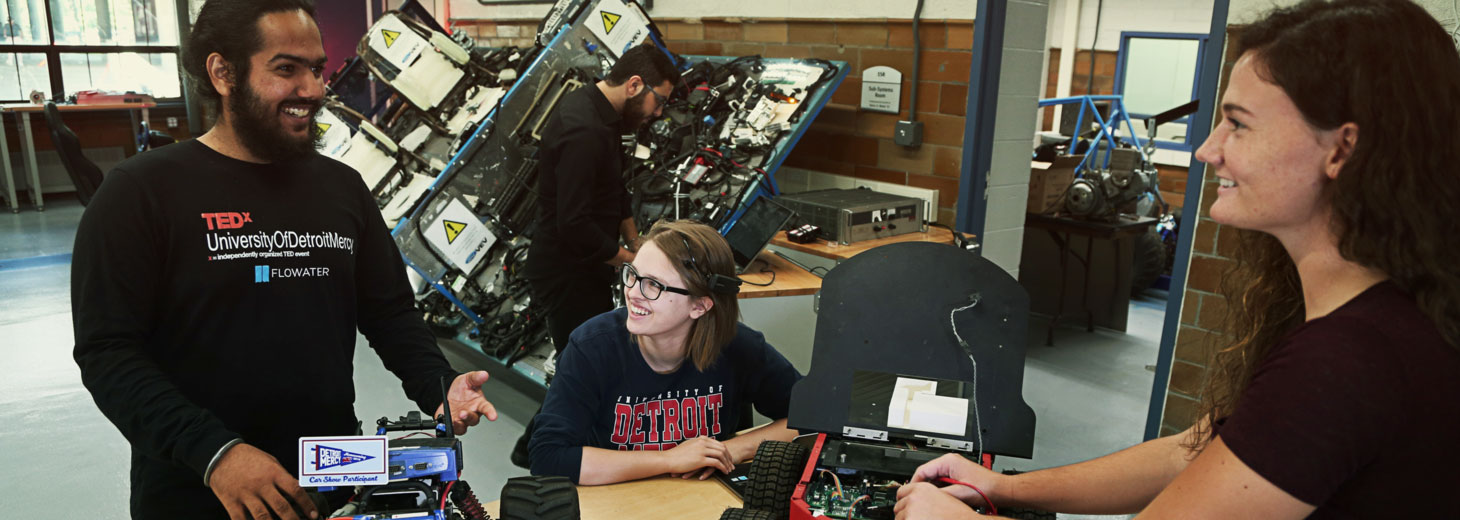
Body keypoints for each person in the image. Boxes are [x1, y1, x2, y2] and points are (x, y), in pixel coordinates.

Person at [894, 1, 1460, 518]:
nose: (1207, 149)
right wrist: (1004, 488)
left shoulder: (1348, 361)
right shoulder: (1388, 312)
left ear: (1343, 149)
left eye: (1237, 124)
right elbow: (1202, 453)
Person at [70, 1, 499, 519]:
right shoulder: (141, 192)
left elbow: (389, 314)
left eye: (316, 68)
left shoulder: (342, 188)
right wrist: (215, 454)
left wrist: (437, 385)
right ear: (223, 72)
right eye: (286, 69)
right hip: (200, 487)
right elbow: (108, 353)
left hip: (333, 474)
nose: (314, 89)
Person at [527, 220, 802, 484]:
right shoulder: (592, 347)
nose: (632, 292)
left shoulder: (737, 346)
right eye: (632, 275)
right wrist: (669, 459)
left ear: (700, 306)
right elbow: (548, 457)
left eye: (654, 285)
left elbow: (816, 418)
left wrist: (733, 449)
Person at [511, 42, 681, 467]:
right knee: (581, 364)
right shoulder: (582, 128)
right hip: (565, 270)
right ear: (635, 84)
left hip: (586, 264)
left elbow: (612, 187)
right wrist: (631, 261)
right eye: (658, 101)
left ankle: (541, 443)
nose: (658, 113)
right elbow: (573, 224)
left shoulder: (601, 114)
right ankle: (541, 452)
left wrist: (634, 238)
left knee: (582, 359)